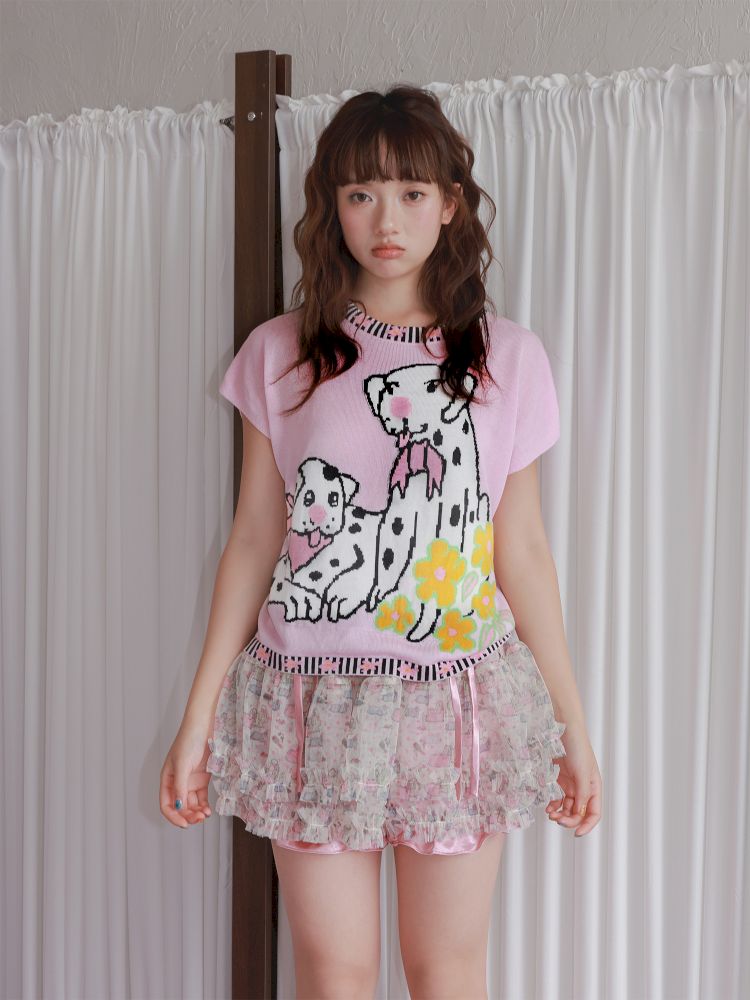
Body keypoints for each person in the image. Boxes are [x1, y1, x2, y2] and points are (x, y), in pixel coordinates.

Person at [160, 84, 602, 999]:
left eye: (410, 192)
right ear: (332, 207)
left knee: (447, 973)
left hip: (454, 704)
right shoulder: (281, 352)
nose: (386, 220)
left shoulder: (507, 357)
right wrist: (198, 720)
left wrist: (572, 727)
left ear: (450, 205)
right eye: (361, 194)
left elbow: (521, 550)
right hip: (311, 705)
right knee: (334, 976)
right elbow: (253, 538)